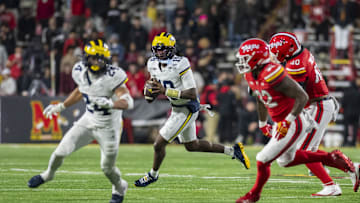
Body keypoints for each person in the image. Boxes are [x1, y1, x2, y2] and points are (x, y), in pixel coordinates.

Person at [234, 38, 356, 203]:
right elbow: (261, 98)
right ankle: (334, 163)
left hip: (307, 110)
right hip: (301, 111)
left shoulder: (281, 69)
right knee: (287, 159)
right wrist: (263, 124)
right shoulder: (255, 73)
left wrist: (289, 120)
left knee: (276, 156)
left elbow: (299, 95)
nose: (242, 63)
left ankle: (335, 176)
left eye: (245, 58)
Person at [134, 32, 250, 187]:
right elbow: (153, 85)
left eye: (163, 49)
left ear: (172, 49)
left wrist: (164, 91)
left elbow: (192, 93)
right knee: (192, 146)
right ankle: (233, 151)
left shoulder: (181, 63)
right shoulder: (152, 63)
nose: (160, 52)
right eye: (158, 49)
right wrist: (149, 93)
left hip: (188, 107)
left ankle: (152, 175)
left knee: (158, 144)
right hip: (176, 107)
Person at [27, 39, 133, 203]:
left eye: (100, 59)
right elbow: (80, 90)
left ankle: (119, 187)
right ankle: (48, 175)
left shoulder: (113, 75)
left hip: (108, 127)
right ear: (86, 58)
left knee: (107, 168)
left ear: (107, 60)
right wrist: (61, 106)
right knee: (60, 152)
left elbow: (128, 102)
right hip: (88, 119)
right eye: (93, 58)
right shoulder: (79, 71)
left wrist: (112, 103)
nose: (97, 63)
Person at [269, 32, 360, 195]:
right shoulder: (300, 53)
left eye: (277, 52)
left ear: (287, 50)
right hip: (318, 103)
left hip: (317, 106)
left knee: (303, 152)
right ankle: (347, 168)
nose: (275, 56)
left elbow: (297, 96)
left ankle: (333, 182)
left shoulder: (295, 64)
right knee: (304, 151)